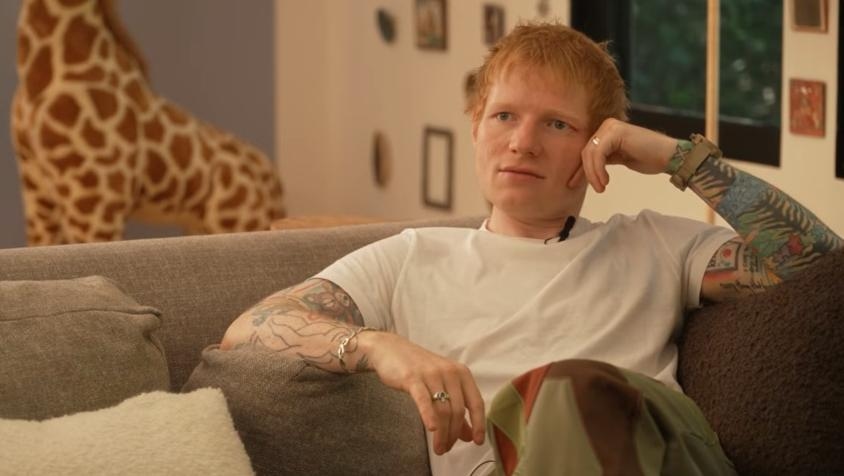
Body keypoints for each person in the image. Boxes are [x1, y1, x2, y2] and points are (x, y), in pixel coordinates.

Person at [220, 22, 842, 475]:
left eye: (557, 124)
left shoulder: (654, 242)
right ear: (475, 127)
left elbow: (821, 268)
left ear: (601, 146)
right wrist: (380, 347)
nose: (522, 143)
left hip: (655, 456)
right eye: (504, 117)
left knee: (562, 391)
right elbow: (249, 329)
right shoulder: (410, 257)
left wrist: (681, 158)